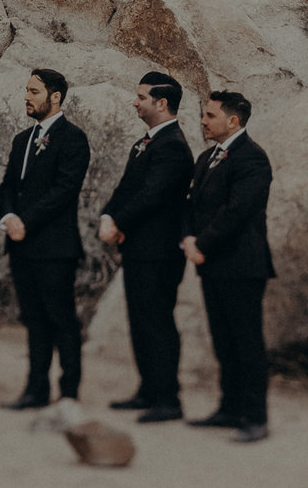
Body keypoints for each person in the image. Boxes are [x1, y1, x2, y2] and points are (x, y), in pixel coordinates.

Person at [98, 71, 195, 422]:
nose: (134, 101)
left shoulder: (174, 147)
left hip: (160, 251)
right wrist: (109, 214)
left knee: (157, 322)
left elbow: (152, 196)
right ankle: (148, 389)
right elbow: (126, 188)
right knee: (139, 320)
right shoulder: (145, 143)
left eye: (141, 96)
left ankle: (168, 399)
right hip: (139, 249)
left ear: (162, 103)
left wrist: (119, 221)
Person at [0, 68, 90, 411]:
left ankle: (68, 392)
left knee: (62, 320)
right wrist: (8, 217)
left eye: (34, 91)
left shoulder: (73, 138)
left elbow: (64, 191)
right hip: (21, 245)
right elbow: (7, 186)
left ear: (55, 97)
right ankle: (35, 390)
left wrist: (25, 220)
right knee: (33, 319)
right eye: (26, 90)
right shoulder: (22, 140)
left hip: (55, 247)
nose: (26, 97)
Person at [184, 89, 274, 443]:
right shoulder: (207, 157)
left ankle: (255, 417)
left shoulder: (253, 158)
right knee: (223, 341)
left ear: (232, 120)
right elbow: (192, 205)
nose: (203, 121)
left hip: (241, 265)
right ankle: (229, 407)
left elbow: (237, 211)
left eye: (210, 115)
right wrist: (189, 239)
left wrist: (202, 243)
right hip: (212, 264)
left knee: (246, 342)